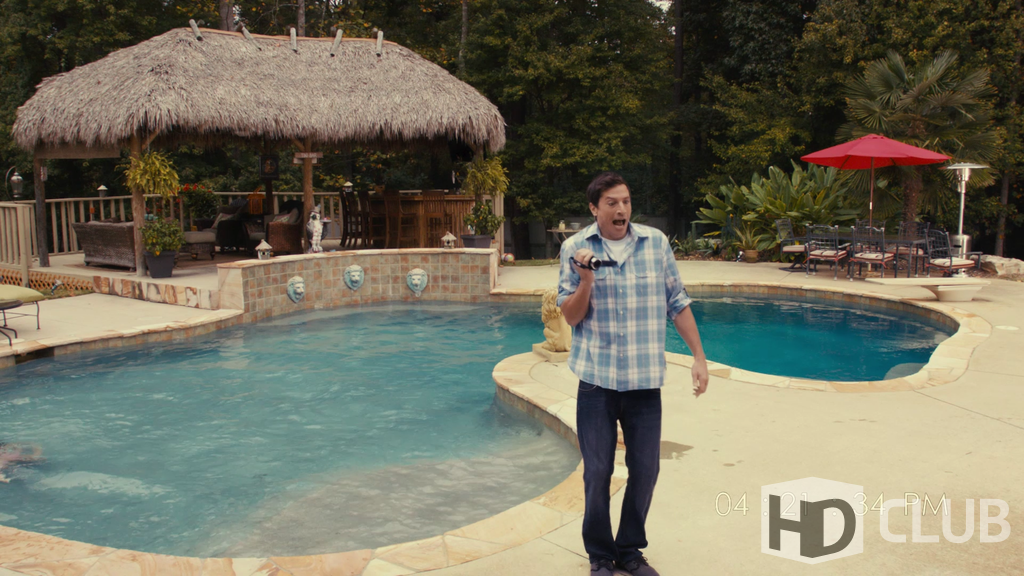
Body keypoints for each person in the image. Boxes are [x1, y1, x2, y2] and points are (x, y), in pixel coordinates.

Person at [557, 172, 709, 576]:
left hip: (644, 382)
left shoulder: (655, 244)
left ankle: (629, 550)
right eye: (612, 203)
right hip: (597, 382)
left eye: (625, 201)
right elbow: (570, 315)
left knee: (645, 470)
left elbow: (677, 302)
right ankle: (599, 555)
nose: (621, 209)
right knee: (598, 472)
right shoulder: (575, 248)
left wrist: (699, 356)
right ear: (594, 208)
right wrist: (586, 281)